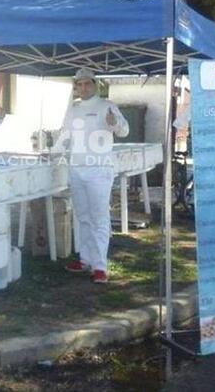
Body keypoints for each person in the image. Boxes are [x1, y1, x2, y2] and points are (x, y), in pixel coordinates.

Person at [59, 67, 129, 283]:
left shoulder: (107, 106)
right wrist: (56, 152)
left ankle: (100, 267)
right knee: (82, 216)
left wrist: (113, 123)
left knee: (99, 217)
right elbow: (65, 135)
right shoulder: (73, 109)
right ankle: (85, 259)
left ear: (95, 85)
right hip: (76, 168)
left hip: (99, 170)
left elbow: (124, 130)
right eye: (79, 84)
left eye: (87, 83)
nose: (83, 87)